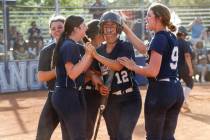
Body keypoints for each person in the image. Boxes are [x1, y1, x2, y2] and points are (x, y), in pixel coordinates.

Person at [118, 3, 184, 140]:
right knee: (167, 136)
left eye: (149, 15)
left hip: (161, 91)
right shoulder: (170, 35)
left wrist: (133, 66)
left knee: (153, 136)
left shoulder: (159, 37)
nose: (146, 18)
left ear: (159, 18)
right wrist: (126, 29)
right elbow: (144, 49)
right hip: (175, 90)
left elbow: (153, 71)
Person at [91, 11, 142, 140]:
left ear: (118, 28)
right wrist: (99, 85)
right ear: (101, 29)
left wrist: (96, 56)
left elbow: (117, 66)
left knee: (124, 135)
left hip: (130, 98)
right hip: (110, 101)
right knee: (114, 136)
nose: (109, 29)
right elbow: (95, 73)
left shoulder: (125, 46)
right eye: (105, 26)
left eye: (112, 26)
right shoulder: (99, 50)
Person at [51, 15, 95, 140]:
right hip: (67, 94)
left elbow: (80, 70)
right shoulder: (70, 45)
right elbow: (73, 74)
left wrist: (89, 55)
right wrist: (87, 54)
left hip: (68, 94)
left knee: (69, 136)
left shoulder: (69, 44)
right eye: (83, 26)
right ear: (76, 29)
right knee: (78, 136)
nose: (86, 28)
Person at [36, 15, 65, 140]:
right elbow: (41, 76)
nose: (56, 30)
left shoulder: (77, 47)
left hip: (72, 96)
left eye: (60, 27)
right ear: (50, 31)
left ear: (67, 28)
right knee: (42, 135)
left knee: (72, 135)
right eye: (53, 28)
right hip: (53, 95)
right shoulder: (46, 51)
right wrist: (60, 70)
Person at [84, 19, 105, 140]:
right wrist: (92, 74)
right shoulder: (86, 48)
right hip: (87, 93)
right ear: (97, 34)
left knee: (89, 128)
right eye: (103, 31)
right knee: (86, 129)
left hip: (99, 93)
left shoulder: (105, 49)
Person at [177, 26, 194, 112]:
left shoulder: (173, 42)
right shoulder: (184, 43)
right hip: (183, 67)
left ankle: (176, 103)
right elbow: (187, 56)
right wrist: (191, 69)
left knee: (175, 86)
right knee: (190, 83)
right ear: (183, 34)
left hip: (173, 68)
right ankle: (183, 101)